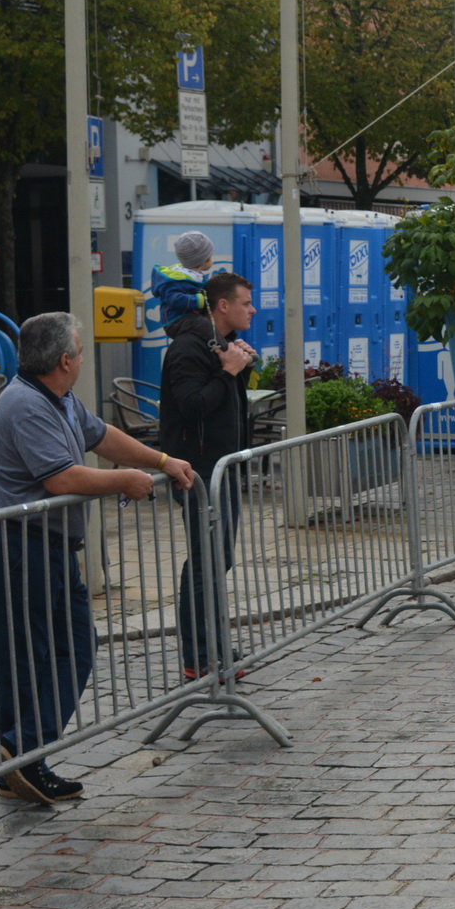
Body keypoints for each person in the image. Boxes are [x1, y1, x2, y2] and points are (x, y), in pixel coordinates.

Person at [0, 313, 196, 804]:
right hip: (17, 546)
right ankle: (22, 756)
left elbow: (100, 436)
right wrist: (124, 480)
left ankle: (21, 758)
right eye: (78, 349)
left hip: (44, 546)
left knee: (66, 648)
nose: (81, 357)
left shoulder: (60, 397)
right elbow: (63, 479)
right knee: (34, 659)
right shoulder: (26, 404)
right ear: (64, 360)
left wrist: (158, 460)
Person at [160, 270, 258, 681]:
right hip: (197, 472)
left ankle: (214, 644)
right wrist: (229, 373)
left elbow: (226, 405)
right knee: (205, 563)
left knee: (219, 560)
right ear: (223, 306)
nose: (252, 309)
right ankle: (198, 656)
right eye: (245, 303)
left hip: (223, 468)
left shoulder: (218, 344)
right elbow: (191, 405)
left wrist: (241, 367)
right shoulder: (188, 348)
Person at [152, 231, 216, 334]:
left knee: (207, 322)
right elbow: (173, 298)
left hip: (187, 318)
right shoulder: (176, 279)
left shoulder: (194, 276)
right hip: (175, 321)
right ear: (205, 260)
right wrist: (198, 300)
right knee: (204, 324)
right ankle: (220, 347)